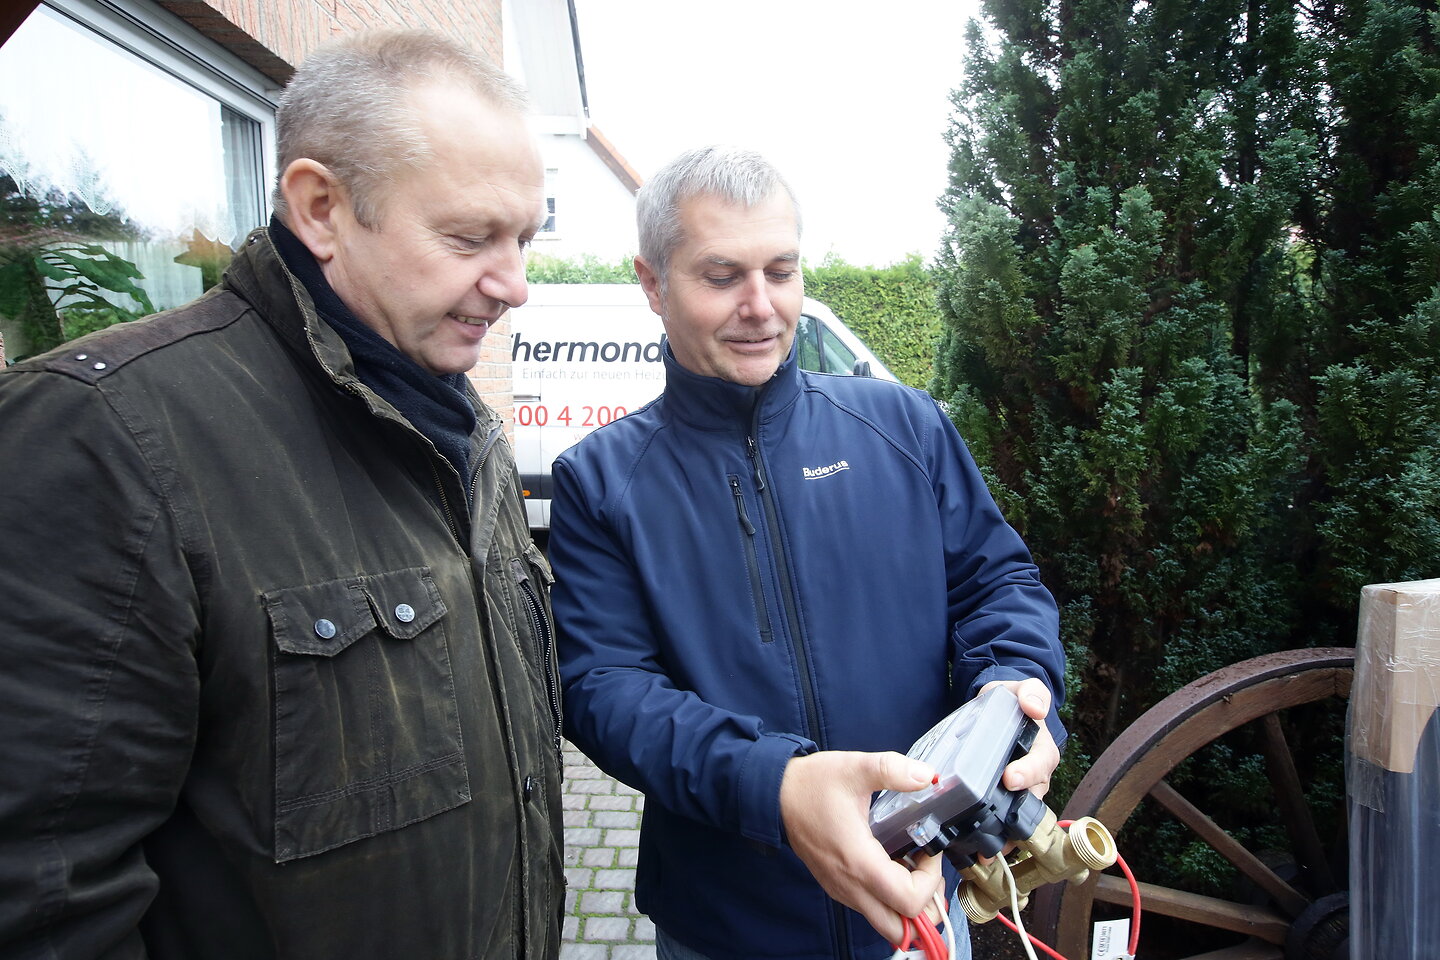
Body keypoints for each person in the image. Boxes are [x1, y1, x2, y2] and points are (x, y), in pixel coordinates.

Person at [0, 29, 564, 959]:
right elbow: (44, 898)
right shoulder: (101, 436)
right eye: (470, 237)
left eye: (526, 238)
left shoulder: (457, 420)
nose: (515, 285)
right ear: (321, 207)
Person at [547, 146, 1066, 960]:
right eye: (722, 276)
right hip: (724, 927)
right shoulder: (600, 480)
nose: (761, 306)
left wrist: (1013, 689)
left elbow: (996, 582)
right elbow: (603, 691)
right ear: (652, 284)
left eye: (781, 271)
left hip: (920, 905)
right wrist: (777, 788)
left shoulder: (905, 427)